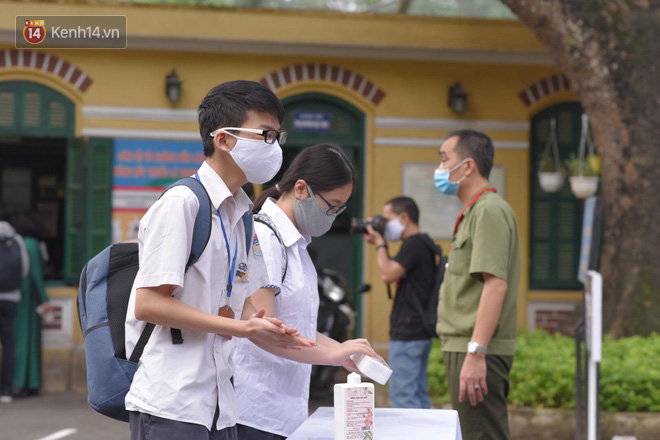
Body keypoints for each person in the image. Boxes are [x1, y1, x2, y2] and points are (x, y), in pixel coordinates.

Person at [124, 80, 317, 440]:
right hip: (173, 405)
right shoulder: (183, 203)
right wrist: (242, 329)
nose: (274, 147)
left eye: (277, 136)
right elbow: (149, 303)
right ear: (224, 139)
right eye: (265, 134)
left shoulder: (242, 214)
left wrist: (265, 326)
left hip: (221, 406)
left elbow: (241, 305)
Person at [233, 144, 378, 439]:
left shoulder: (297, 245)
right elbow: (262, 331)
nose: (334, 215)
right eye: (331, 205)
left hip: (282, 409)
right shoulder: (266, 239)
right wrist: (334, 354)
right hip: (254, 411)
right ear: (301, 189)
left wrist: (344, 350)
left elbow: (298, 326)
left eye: (341, 208)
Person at [434, 129, 521, 440]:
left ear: (467, 166)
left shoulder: (489, 211)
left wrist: (476, 352)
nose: (440, 168)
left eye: (445, 159)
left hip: (473, 347)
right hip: (465, 346)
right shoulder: (476, 211)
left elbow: (495, 285)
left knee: (481, 434)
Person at [363, 196, 436, 409]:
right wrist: (380, 242)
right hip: (417, 331)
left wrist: (379, 242)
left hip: (409, 332)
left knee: (404, 398)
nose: (384, 226)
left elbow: (388, 273)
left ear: (403, 218)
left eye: (387, 220)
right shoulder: (422, 243)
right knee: (418, 395)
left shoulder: (414, 243)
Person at [13, 213, 54, 396]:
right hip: (30, 296)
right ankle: (29, 381)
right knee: (29, 339)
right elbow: (37, 274)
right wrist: (45, 299)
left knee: (19, 339)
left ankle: (18, 381)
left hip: (16, 294)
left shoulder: (17, 241)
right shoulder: (32, 244)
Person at [0, 206, 30, 403]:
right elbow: (25, 270)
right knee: (9, 344)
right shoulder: (17, 239)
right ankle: (6, 391)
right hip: (11, 298)